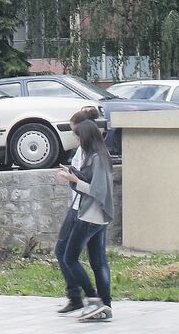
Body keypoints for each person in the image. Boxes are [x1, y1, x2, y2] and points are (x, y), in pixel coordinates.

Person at [56, 118, 115, 322]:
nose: (78, 141)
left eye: (79, 137)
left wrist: (74, 180)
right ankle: (105, 304)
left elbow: (97, 191)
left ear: (87, 137)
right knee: (98, 261)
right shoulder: (100, 156)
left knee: (69, 258)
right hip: (98, 217)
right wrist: (73, 176)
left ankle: (93, 298)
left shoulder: (97, 158)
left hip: (90, 216)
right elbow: (91, 183)